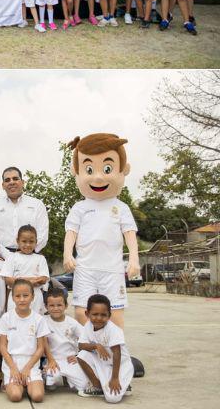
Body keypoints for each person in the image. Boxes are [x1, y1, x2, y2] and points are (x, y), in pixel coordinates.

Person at [63, 133, 139, 329]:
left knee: (115, 315)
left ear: (124, 170)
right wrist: (67, 255)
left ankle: (116, 354)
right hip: (85, 269)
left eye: (107, 168)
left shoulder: (121, 207)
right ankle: (91, 350)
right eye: (89, 169)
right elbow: (71, 232)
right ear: (77, 171)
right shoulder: (79, 208)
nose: (98, 177)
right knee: (81, 312)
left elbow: (129, 233)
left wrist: (134, 259)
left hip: (112, 270)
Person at [0, 279, 49, 403]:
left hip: (31, 363)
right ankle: (11, 383)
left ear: (32, 297)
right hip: (11, 363)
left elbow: (41, 348)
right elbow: (2, 346)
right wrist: (13, 368)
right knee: (15, 396)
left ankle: (31, 383)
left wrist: (27, 369)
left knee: (37, 396)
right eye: (18, 296)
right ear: (12, 298)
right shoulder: (6, 318)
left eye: (26, 295)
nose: (22, 299)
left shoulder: (38, 319)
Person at [75, 294, 134, 402]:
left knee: (113, 399)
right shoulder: (88, 325)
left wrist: (115, 378)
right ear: (87, 314)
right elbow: (81, 345)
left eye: (103, 315)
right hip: (104, 363)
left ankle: (125, 383)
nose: (98, 318)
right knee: (82, 355)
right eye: (95, 314)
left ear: (109, 315)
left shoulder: (113, 330)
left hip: (119, 365)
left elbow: (117, 354)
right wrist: (96, 346)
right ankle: (97, 387)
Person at [0, 167, 50, 254]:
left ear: (22, 182)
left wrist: (28, 252)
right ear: (3, 185)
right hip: (2, 259)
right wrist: (7, 255)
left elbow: (43, 234)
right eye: (7, 180)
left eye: (15, 179)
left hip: (32, 257)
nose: (11, 182)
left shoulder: (37, 205)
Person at [43, 287, 86, 393]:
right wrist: (50, 360)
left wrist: (79, 356)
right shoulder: (43, 321)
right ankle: (55, 376)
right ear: (46, 307)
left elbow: (86, 339)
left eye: (59, 305)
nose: (55, 308)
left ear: (66, 306)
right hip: (52, 360)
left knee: (83, 385)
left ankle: (68, 378)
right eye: (51, 305)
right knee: (50, 383)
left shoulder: (72, 323)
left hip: (69, 359)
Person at [1, 226, 50, 314]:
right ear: (17, 241)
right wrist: (32, 281)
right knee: (14, 323)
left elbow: (43, 279)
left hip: (35, 297)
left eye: (31, 242)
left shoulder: (40, 258)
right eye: (24, 241)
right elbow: (8, 280)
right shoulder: (11, 257)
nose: (27, 245)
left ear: (36, 242)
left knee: (35, 324)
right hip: (16, 297)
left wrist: (19, 280)